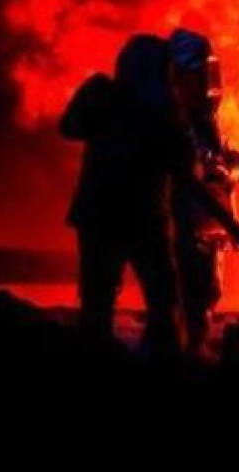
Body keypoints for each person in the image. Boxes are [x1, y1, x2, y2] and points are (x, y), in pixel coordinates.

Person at [60, 34, 191, 361]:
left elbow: (70, 127)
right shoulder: (164, 110)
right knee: (161, 296)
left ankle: (99, 358)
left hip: (103, 215)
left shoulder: (105, 94)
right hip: (141, 218)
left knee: (99, 296)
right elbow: (184, 165)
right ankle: (162, 361)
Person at [167, 27, 239, 357]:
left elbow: (218, 159)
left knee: (208, 294)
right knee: (188, 297)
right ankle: (183, 360)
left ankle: (193, 351)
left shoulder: (206, 120)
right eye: (199, 75)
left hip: (208, 225)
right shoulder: (173, 119)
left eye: (208, 73)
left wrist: (236, 165)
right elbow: (196, 168)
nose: (206, 83)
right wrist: (222, 170)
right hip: (185, 226)